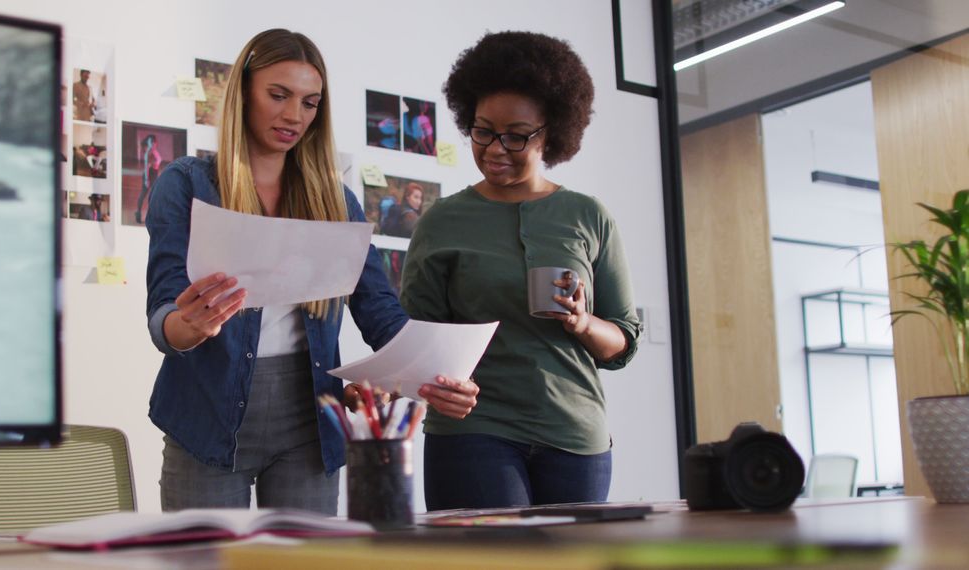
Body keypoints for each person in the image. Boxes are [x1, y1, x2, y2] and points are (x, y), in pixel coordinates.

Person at [144, 29, 479, 515]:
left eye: (309, 102)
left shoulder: (335, 201)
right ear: (243, 92)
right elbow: (163, 316)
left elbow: (380, 311)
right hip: (206, 415)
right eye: (278, 95)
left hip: (310, 421)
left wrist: (438, 371)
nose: (293, 116)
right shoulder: (186, 184)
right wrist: (190, 326)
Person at [400, 31, 643, 510]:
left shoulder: (587, 215)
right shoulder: (442, 220)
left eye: (516, 135)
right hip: (472, 429)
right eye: (483, 130)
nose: (495, 147)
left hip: (574, 434)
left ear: (551, 131)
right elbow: (417, 339)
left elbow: (623, 342)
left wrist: (581, 322)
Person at [136, 135, 162, 223]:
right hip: (148, 175)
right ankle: (138, 213)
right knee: (143, 194)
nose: (151, 144)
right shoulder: (148, 153)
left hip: (154, 175)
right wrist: (147, 180)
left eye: (153, 142)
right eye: (150, 142)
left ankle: (154, 216)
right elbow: (146, 168)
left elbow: (157, 164)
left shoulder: (155, 152)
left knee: (154, 196)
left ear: (155, 143)